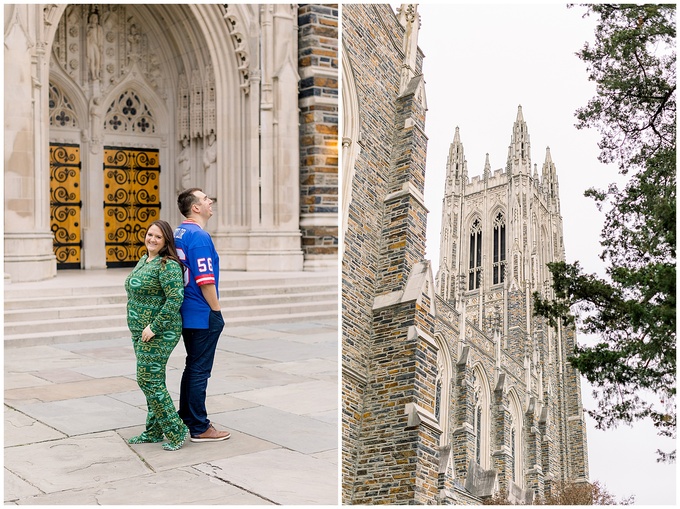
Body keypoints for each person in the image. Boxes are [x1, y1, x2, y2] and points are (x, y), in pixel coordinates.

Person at [125, 220, 189, 451]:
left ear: (166, 242)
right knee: (154, 379)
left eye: (158, 237)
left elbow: (175, 299)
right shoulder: (145, 260)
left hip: (160, 332)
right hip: (140, 332)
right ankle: (153, 430)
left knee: (147, 380)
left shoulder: (167, 265)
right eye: (150, 234)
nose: (152, 239)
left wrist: (154, 327)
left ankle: (176, 429)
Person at [174, 188, 231, 442]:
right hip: (201, 311)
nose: (211, 201)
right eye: (206, 199)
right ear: (195, 207)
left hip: (186, 309)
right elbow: (205, 279)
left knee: (192, 366)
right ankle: (199, 426)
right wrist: (216, 310)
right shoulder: (199, 236)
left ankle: (185, 416)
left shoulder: (179, 232)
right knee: (200, 370)